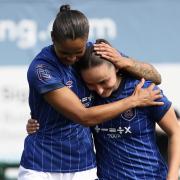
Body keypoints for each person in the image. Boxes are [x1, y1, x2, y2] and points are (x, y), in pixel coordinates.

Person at [19, 4, 164, 180]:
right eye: (64, 53)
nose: (71, 59)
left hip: (83, 167)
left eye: (78, 53)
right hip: (41, 165)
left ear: (86, 39)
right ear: (52, 39)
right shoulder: (41, 69)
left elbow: (155, 76)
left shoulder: (96, 53)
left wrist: (124, 61)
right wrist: (134, 101)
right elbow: (83, 116)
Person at [27, 39, 180, 179]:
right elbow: (69, 113)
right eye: (91, 84)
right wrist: (37, 123)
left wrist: (172, 177)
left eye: (104, 81)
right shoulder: (86, 99)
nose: (99, 90)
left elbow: (176, 132)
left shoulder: (144, 91)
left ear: (117, 68)